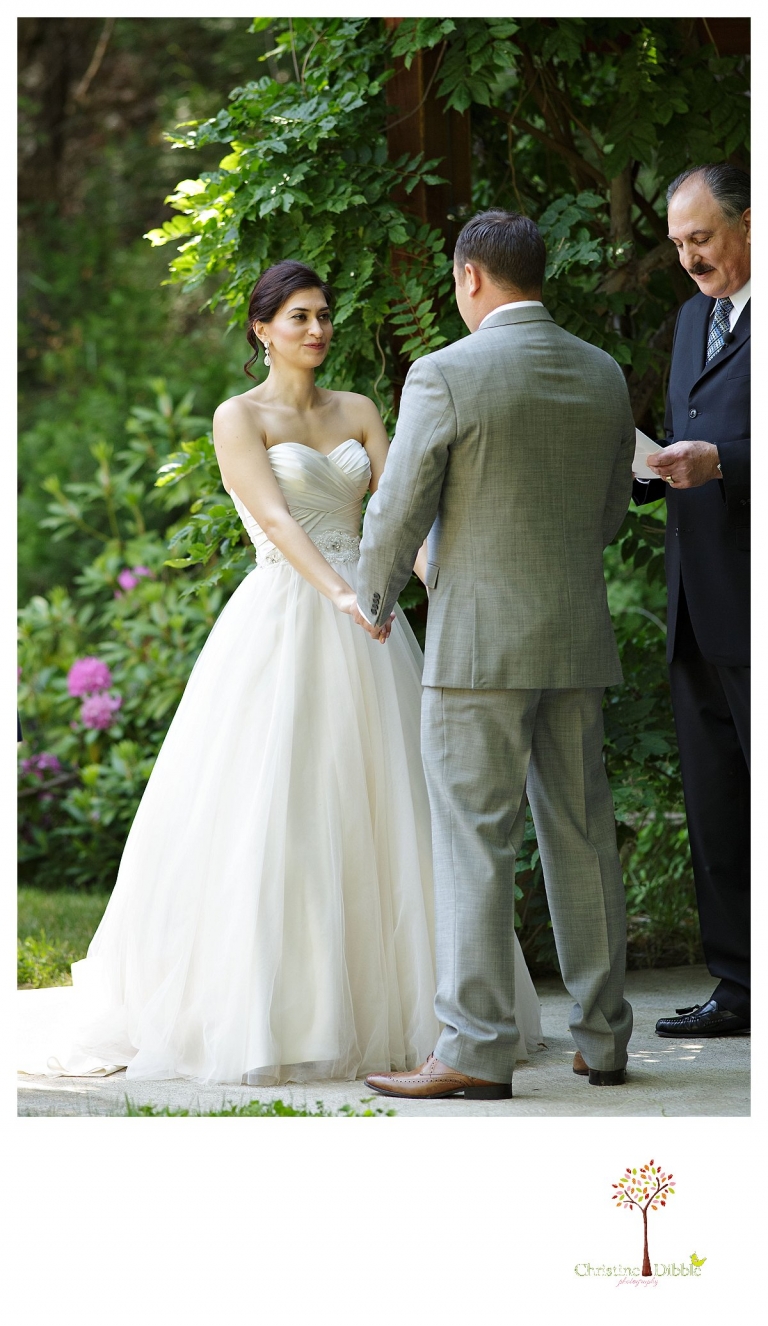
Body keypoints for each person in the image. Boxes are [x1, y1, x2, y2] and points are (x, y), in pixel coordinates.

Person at [18, 260, 543, 1086]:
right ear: (262, 329)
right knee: (280, 804)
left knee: (390, 803)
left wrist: (437, 578)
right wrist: (341, 592)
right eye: (299, 316)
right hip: (288, 616)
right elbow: (274, 516)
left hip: (372, 624)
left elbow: (403, 510)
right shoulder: (239, 417)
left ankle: (439, 1018)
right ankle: (278, 1014)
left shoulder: (359, 410)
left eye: (324, 314)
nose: (317, 329)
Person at [353, 211, 635, 1101]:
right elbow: (610, 515)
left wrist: (372, 598)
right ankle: (604, 1040)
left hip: (477, 646)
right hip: (575, 637)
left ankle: (475, 1048)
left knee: (475, 838)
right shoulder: (603, 372)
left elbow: (398, 507)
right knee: (583, 834)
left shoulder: (444, 372)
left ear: (470, 276)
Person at [633, 164, 750, 1039]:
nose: (688, 259)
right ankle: (739, 988)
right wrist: (649, 468)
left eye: (701, 238)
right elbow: (691, 432)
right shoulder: (688, 320)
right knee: (716, 810)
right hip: (693, 603)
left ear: (750, 224)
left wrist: (726, 464)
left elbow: (728, 448)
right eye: (677, 244)